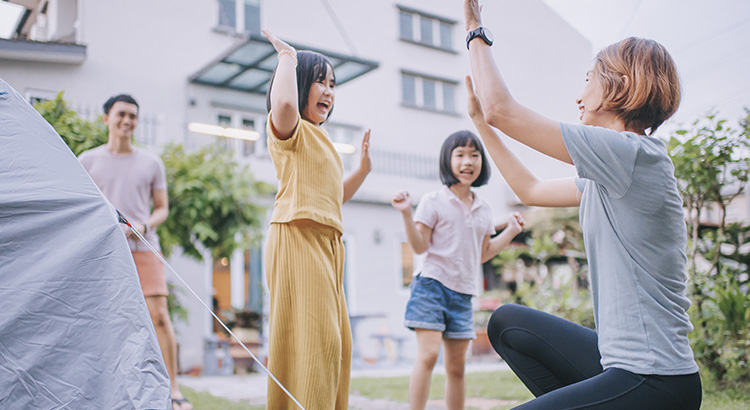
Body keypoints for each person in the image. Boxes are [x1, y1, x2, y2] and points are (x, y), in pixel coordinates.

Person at [462, 1, 702, 409]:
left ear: (621, 84)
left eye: (588, 77)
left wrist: (474, 27)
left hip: (656, 379)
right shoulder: (608, 174)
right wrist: (483, 124)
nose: (579, 94)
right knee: (507, 323)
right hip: (620, 367)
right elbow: (531, 188)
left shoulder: (634, 155)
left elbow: (503, 109)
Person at [261, 28, 372, 410]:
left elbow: (333, 198)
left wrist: (363, 171)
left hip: (327, 243)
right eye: (320, 82)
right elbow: (286, 107)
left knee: (336, 342)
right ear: (300, 83)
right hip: (297, 236)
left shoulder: (321, 138)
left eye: (333, 84)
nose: (328, 91)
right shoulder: (290, 130)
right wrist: (287, 57)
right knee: (316, 342)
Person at [392, 130, 525, 410]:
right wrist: (406, 213)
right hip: (431, 286)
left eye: (474, 155)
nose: (468, 162)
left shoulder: (484, 208)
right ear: (448, 160)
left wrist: (511, 231)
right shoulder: (433, 201)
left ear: (481, 163)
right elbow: (418, 246)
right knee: (427, 357)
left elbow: (484, 253)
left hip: (463, 293)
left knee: (457, 367)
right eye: (461, 155)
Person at [78, 94, 191, 410]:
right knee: (101, 320)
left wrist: (142, 225)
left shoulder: (151, 162)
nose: (128, 121)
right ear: (106, 119)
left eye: (133, 116)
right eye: (122, 114)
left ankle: (174, 389)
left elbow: (162, 209)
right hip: (105, 251)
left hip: (144, 248)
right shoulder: (87, 160)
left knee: (159, 318)